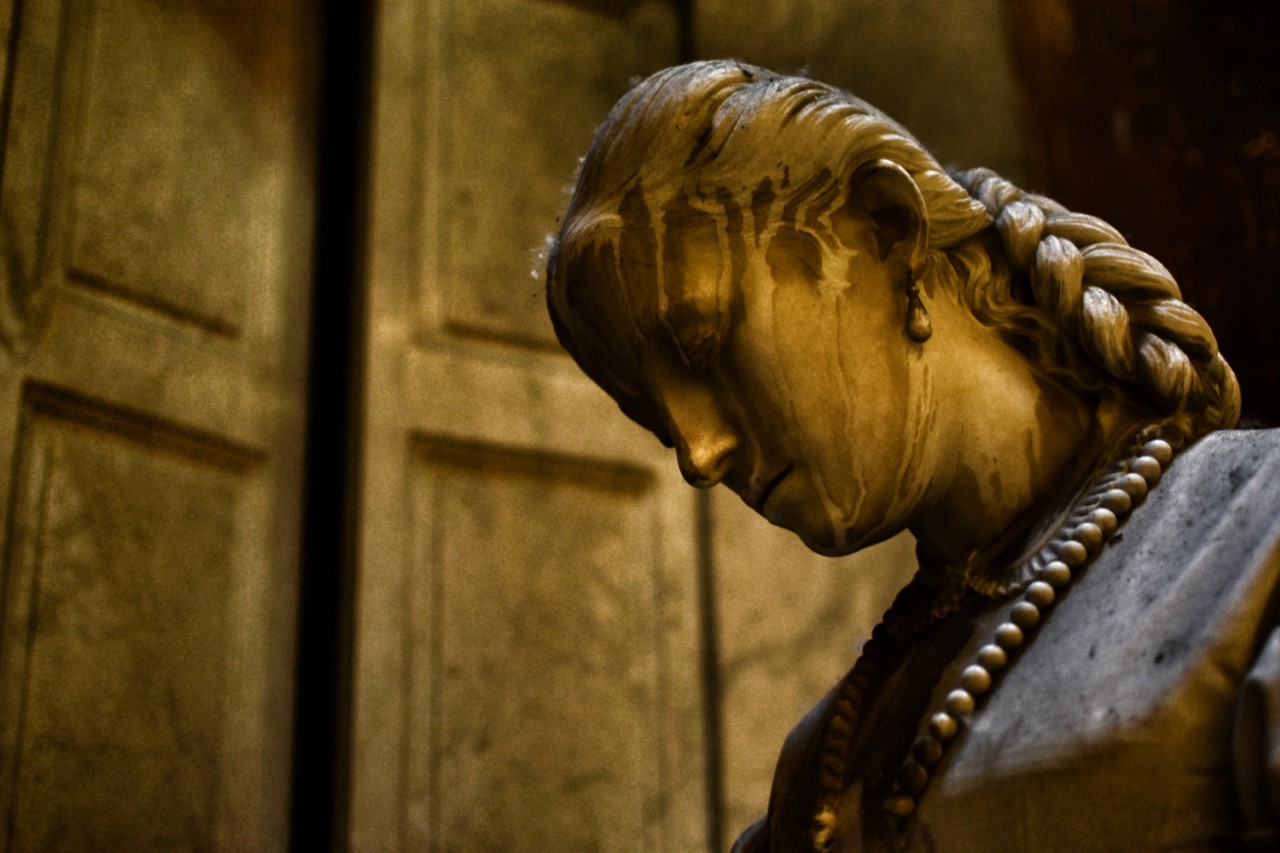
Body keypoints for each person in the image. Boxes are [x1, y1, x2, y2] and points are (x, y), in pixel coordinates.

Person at [545, 60, 1280, 852]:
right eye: (655, 421)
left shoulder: (1257, 528)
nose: (699, 454)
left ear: (889, 229)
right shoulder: (822, 758)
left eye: (703, 341)